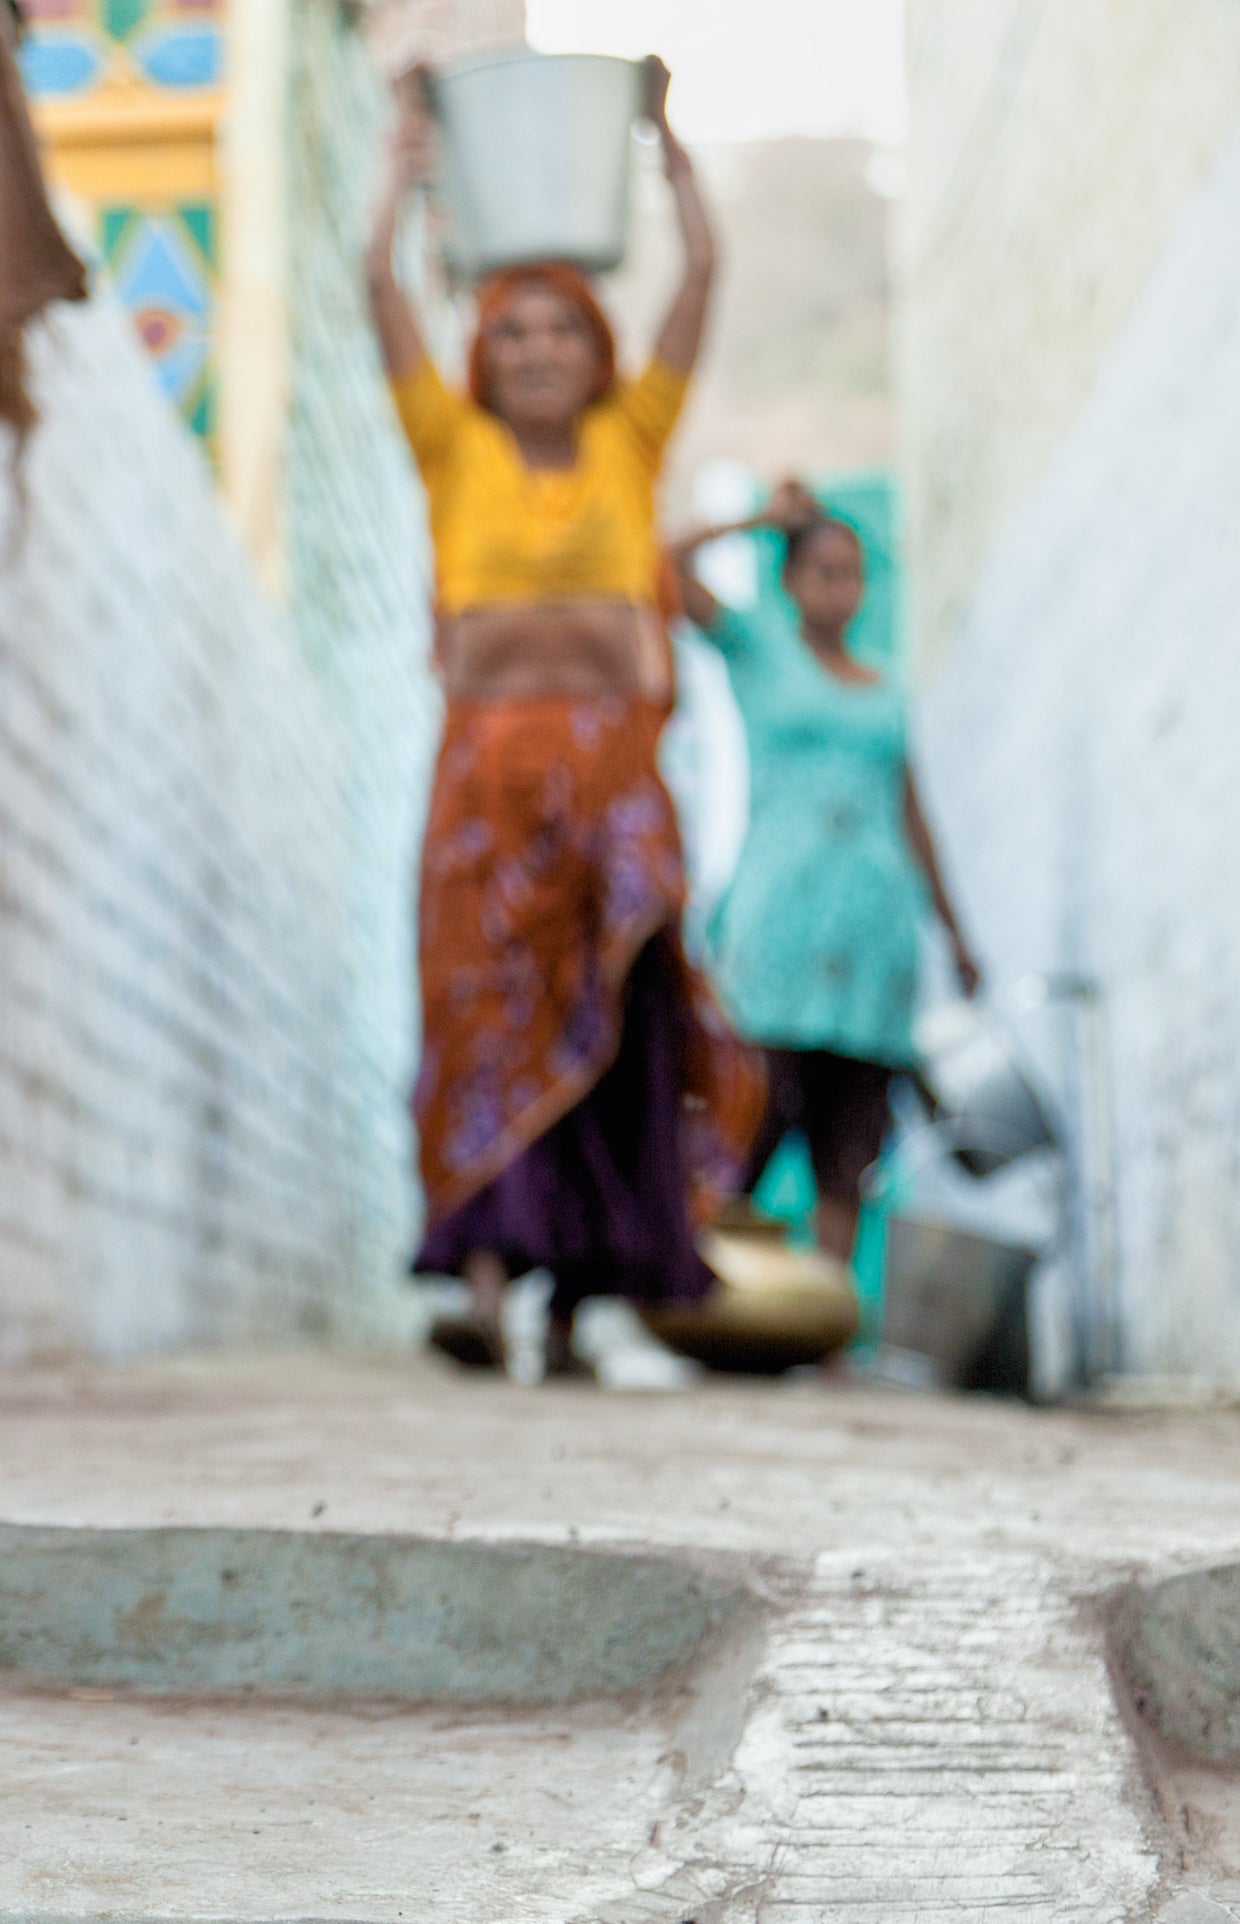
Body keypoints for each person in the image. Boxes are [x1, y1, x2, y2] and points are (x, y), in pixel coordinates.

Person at [365, 63, 761, 1380]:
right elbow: (378, 290)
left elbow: (702, 282)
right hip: (485, 777)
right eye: (515, 333)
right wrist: (407, 153)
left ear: (600, 356)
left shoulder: (632, 441)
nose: (539, 351)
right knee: (481, 1014)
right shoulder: (451, 445)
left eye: (564, 333)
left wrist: (665, 137)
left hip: (611, 774)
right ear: (487, 356)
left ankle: (579, 1308)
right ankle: (482, 1297)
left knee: (619, 1008)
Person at [669, 480, 980, 1264]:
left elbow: (915, 818)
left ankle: (832, 1318)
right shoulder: (759, 650)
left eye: (852, 573)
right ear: (789, 580)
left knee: (852, 1130)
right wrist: (757, 520)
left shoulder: (885, 694)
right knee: (751, 1108)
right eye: (822, 571)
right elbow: (660, 564)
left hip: (873, 934)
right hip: (781, 919)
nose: (839, 588)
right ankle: (710, 1298)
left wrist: (956, 933)